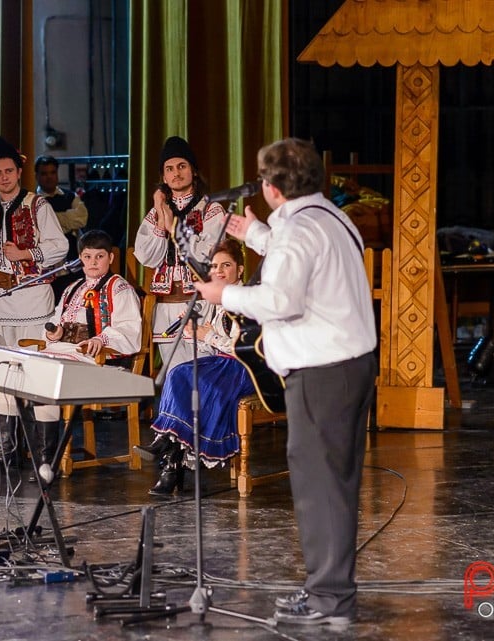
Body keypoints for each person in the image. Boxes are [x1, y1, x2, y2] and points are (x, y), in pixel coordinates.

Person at [195, 137, 377, 627]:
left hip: (325, 371)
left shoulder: (299, 232)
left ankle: (330, 601)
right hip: (348, 364)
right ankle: (328, 590)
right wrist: (255, 233)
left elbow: (281, 300)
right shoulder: (329, 217)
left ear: (272, 188)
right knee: (332, 482)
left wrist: (224, 292)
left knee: (321, 486)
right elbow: (303, 256)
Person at [0, 136, 69, 473]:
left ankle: (45, 457)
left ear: (19, 170)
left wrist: (25, 254)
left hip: (33, 301)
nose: (4, 177)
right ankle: (7, 454)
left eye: (9, 170)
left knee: (39, 375)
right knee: (3, 377)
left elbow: (60, 247)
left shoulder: (37, 206)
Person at [134, 238, 255, 496]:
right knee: (178, 373)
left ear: (240, 270)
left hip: (245, 368)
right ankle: (169, 451)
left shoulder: (247, 300)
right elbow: (212, 346)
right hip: (222, 364)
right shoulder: (215, 300)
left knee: (204, 385)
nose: (219, 271)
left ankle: (168, 459)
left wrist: (206, 335)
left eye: (226, 265)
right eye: (214, 266)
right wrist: (193, 331)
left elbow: (246, 348)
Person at [26, 229, 142, 481]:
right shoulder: (72, 288)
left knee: (45, 376)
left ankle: (48, 461)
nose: (92, 263)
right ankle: (12, 454)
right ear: (80, 259)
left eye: (99, 257)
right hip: (65, 354)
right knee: (14, 370)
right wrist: (54, 334)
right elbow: (56, 321)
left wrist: (101, 339)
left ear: (110, 258)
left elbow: (129, 329)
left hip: (98, 362)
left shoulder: (119, 288)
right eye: (87, 257)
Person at [133, 136, 225, 373]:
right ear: (163, 176)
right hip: (166, 304)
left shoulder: (211, 209)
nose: (176, 173)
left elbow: (209, 254)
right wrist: (160, 217)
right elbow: (146, 256)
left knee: (202, 370)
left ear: (193, 171)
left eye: (182, 166)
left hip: (200, 301)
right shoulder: (156, 213)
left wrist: (175, 227)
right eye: (169, 169)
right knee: (174, 371)